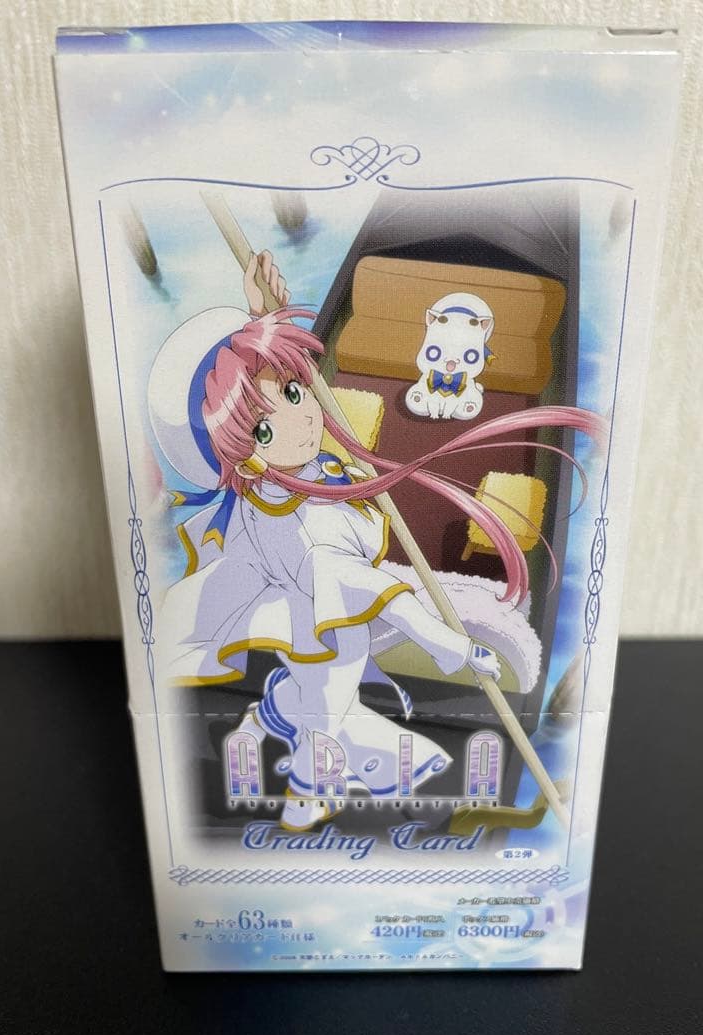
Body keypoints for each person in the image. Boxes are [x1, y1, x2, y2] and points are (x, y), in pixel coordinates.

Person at [149, 253, 604, 830]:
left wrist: (264, 316)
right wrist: (457, 648)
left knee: (316, 705)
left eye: (296, 392)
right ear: (243, 455)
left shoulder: (270, 490)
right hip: (329, 635)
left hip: (316, 632)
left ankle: (269, 737)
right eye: (263, 428)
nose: (302, 419)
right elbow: (389, 597)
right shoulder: (308, 536)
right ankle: (307, 794)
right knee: (327, 714)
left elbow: (266, 374)